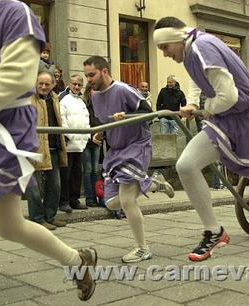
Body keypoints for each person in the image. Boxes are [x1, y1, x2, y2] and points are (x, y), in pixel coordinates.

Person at [153, 16, 249, 268]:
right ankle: (214, 230)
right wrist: (194, 102)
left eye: (164, 48)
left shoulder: (200, 47)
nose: (164, 54)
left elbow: (229, 96)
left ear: (175, 38)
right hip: (224, 122)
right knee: (186, 165)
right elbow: (199, 78)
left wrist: (208, 107)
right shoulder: (191, 49)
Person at [0, 0, 96, 300]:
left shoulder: (15, 13)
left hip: (3, 132)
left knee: (8, 225)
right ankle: (78, 260)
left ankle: (77, 261)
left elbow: (13, 81)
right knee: (8, 226)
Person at [83, 55, 175, 263]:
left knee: (126, 200)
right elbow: (104, 122)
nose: (89, 79)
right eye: (87, 75)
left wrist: (126, 115)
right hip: (115, 150)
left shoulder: (124, 89)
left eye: (92, 74)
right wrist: (101, 133)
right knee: (112, 203)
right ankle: (153, 184)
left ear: (104, 72)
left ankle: (142, 248)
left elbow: (148, 113)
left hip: (136, 145)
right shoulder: (95, 96)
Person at [26, 71, 68, 229]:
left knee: (55, 185)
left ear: (53, 85)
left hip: (54, 147)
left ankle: (50, 216)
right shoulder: (28, 98)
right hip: (34, 149)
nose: (43, 86)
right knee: (34, 188)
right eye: (40, 83)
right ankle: (37, 219)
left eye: (47, 84)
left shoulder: (55, 98)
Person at [59, 75, 90, 211]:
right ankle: (64, 201)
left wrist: (87, 137)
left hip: (81, 145)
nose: (76, 87)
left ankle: (74, 199)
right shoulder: (64, 100)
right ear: (69, 84)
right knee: (66, 175)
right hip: (69, 145)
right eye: (74, 84)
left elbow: (86, 120)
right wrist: (70, 137)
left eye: (79, 84)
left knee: (77, 175)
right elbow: (62, 121)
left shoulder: (82, 102)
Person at [82, 83, 103, 207]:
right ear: (89, 92)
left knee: (95, 170)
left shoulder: (100, 106)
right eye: (93, 91)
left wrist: (100, 135)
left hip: (97, 141)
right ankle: (89, 198)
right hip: (85, 141)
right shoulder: (84, 106)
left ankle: (96, 196)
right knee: (87, 170)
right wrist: (91, 137)